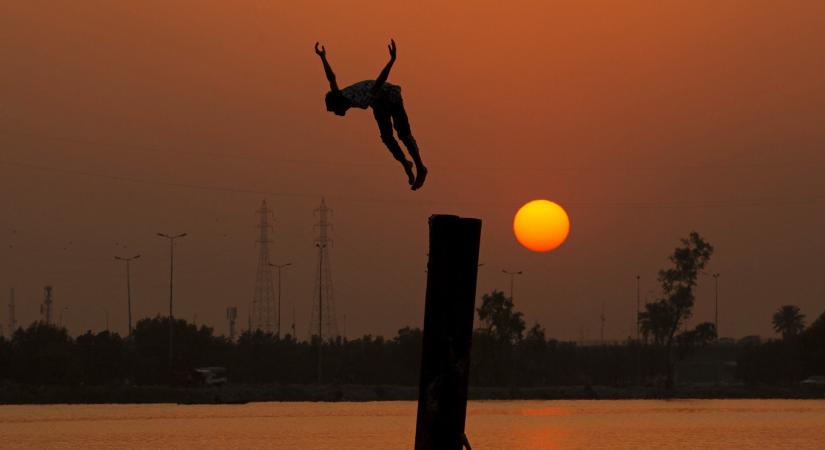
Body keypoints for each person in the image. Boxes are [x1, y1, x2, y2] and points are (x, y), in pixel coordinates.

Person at [315, 39, 428, 190]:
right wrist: (323, 57)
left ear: (339, 104)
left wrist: (392, 60)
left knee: (403, 134)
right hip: (378, 104)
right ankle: (406, 164)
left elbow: (380, 80)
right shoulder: (339, 94)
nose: (336, 114)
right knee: (387, 137)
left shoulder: (360, 99)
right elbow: (331, 77)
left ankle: (420, 167)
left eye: (335, 110)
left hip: (390, 96)